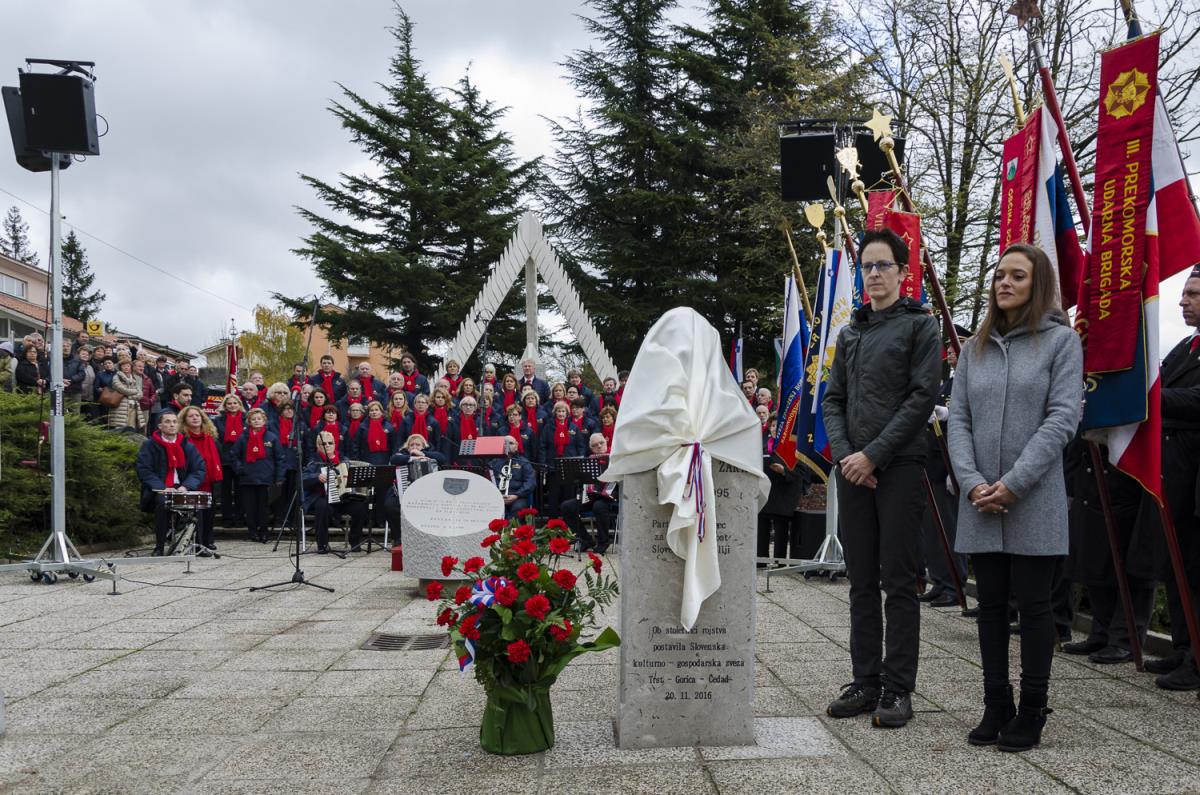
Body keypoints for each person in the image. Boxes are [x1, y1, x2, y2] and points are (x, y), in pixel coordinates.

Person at [948, 243, 1082, 752]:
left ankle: (1032, 709)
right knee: (989, 607)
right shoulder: (974, 348)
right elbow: (958, 419)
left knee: (1034, 606)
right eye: (1000, 274)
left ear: (1038, 283)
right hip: (980, 497)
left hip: (1033, 496)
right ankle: (996, 703)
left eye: (1017, 276)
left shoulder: (1061, 343)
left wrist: (1015, 482)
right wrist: (971, 480)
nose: (1004, 283)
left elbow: (1062, 418)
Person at [821, 228, 941, 728]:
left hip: (900, 467)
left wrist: (873, 456)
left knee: (899, 581)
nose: (873, 274)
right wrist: (848, 457)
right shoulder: (850, 333)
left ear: (902, 272)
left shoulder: (921, 327)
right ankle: (866, 681)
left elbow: (921, 398)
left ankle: (897, 688)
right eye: (866, 267)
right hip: (854, 470)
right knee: (861, 581)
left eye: (882, 265)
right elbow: (833, 401)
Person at [1140, 266, 1200, 690]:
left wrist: (1150, 397)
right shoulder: (1186, 346)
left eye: (1193, 294)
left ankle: (1196, 658)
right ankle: (1183, 647)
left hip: (1193, 471)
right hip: (1175, 471)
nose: (1182, 300)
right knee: (1177, 564)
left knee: (1195, 569)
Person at [135, 412, 206, 556]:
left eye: (174, 422)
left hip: (182, 487)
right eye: (167, 422)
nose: (172, 425)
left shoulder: (187, 445)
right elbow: (143, 469)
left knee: (197, 504)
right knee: (163, 504)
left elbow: (199, 469)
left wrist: (186, 486)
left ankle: (197, 545)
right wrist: (162, 487)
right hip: (160, 489)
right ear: (160, 426)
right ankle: (159, 546)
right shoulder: (150, 445)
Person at [304, 431, 369, 553]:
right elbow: (304, 479)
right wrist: (317, 477)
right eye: (324, 444)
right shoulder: (314, 461)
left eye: (330, 443)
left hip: (343, 498)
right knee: (322, 507)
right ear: (318, 446)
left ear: (335, 444)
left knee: (360, 507)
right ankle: (322, 544)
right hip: (323, 497)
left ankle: (355, 541)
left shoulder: (344, 460)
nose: (327, 446)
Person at [382, 434, 450, 540]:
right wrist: (412, 458)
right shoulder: (403, 453)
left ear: (423, 446)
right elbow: (394, 459)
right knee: (390, 506)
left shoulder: (430, 453)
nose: (414, 447)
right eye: (411, 445)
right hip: (401, 492)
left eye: (418, 445)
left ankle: (427, 537)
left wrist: (423, 454)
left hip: (426, 494)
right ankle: (398, 538)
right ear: (407, 446)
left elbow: (442, 458)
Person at [232, 407, 283, 542]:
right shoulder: (243, 438)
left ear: (264, 421)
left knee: (264, 508)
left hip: (266, 478)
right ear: (249, 422)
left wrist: (279, 477)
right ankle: (252, 531)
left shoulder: (272, 437)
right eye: (253, 419)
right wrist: (240, 469)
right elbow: (234, 455)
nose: (256, 421)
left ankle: (264, 531)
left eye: (259, 419)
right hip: (248, 478)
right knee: (250, 508)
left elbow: (279, 458)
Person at [560, 432, 617, 552]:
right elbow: (584, 482)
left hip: (611, 498)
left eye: (601, 443)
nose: (599, 446)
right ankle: (585, 540)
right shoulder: (589, 460)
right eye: (595, 445)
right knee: (567, 506)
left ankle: (603, 542)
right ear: (591, 448)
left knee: (599, 506)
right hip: (592, 497)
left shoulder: (615, 459)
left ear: (606, 442)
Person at [179, 405, 223, 556]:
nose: (195, 418)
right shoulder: (183, 440)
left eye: (197, 415)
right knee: (197, 516)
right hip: (192, 482)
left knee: (209, 514)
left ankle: (207, 541)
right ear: (184, 420)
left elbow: (218, 459)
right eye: (191, 416)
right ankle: (196, 543)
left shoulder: (211, 438)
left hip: (210, 482)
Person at [214, 394, 246, 529]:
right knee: (225, 492)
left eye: (235, 403)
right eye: (229, 403)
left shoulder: (246, 420)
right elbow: (216, 439)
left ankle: (239, 518)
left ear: (239, 405)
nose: (232, 406)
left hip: (241, 460)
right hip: (225, 459)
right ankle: (226, 518)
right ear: (225, 406)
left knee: (240, 491)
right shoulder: (218, 421)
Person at [490, 435, 535, 517]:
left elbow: (530, 482)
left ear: (516, 446)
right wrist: (498, 495)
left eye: (511, 443)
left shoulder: (524, 462)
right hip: (497, 496)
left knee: (517, 508)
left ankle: (511, 526)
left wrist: (517, 495)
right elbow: (489, 480)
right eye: (505, 443)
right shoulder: (494, 462)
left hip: (517, 496)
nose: (508, 446)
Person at [108, 355, 145, 430]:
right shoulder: (116, 377)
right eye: (124, 366)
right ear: (120, 367)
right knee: (119, 429)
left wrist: (129, 396)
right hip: (121, 407)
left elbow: (140, 394)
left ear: (131, 367)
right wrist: (134, 391)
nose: (126, 367)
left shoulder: (133, 377)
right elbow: (121, 389)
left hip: (133, 407)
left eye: (128, 366)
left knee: (131, 429)